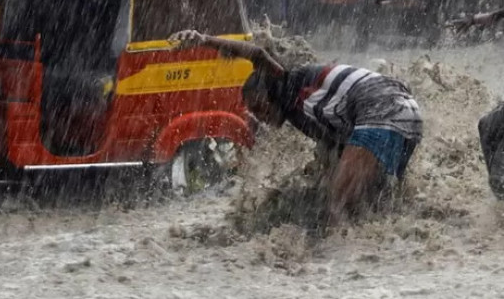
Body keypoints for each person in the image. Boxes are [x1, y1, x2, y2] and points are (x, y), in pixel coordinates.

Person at [169, 30, 423, 223]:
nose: (260, 117)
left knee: (336, 210)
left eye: (259, 107)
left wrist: (204, 40)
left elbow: (258, 54)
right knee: (379, 204)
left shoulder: (289, 82)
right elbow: (336, 148)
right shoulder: (310, 115)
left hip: (380, 108)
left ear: (272, 91)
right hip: (408, 112)